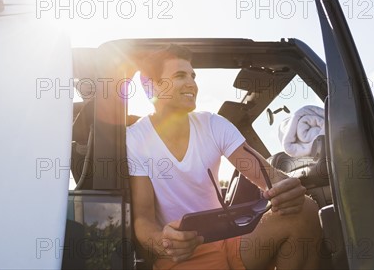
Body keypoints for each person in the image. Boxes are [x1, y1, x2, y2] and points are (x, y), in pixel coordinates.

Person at [126, 44, 322, 270]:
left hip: (230, 241)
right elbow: (143, 219)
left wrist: (286, 189)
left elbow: (268, 176)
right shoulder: (135, 139)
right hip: (184, 255)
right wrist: (163, 243)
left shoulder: (212, 124)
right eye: (180, 76)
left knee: (304, 210)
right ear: (153, 86)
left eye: (193, 75)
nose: (192, 83)